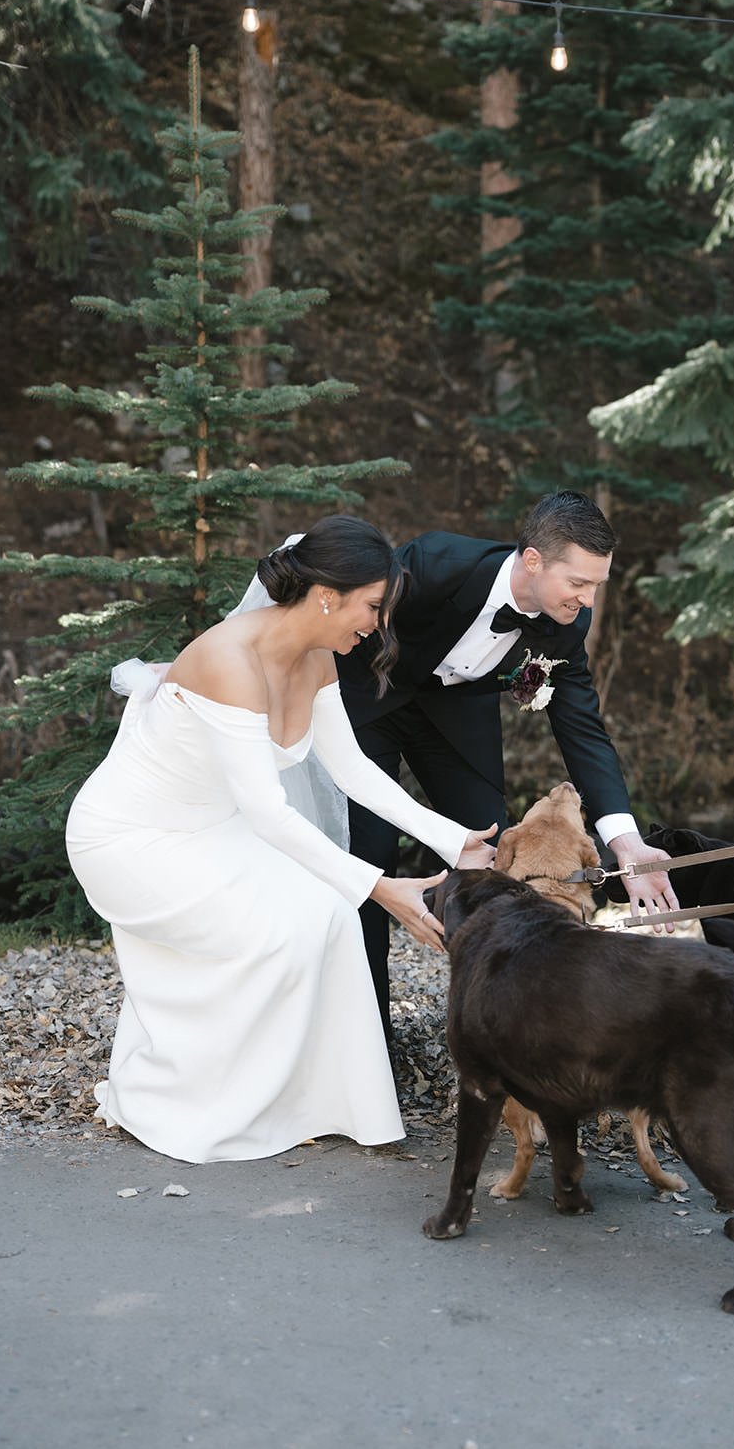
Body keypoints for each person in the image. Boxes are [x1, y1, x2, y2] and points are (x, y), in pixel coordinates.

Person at [65, 516, 494, 1165]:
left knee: (329, 917)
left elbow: (351, 770)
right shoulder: (229, 661)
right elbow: (267, 812)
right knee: (267, 936)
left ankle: (317, 1106)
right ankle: (187, 1100)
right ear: (326, 596)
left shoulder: (317, 658)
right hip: (131, 839)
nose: (378, 625)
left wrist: (454, 842)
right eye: (372, 606)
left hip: (210, 831)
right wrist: (378, 887)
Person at [337, 489, 680, 1033]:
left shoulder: (566, 623)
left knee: (493, 856)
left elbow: (582, 729)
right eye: (579, 583)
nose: (588, 600)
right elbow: (344, 620)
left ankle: (502, 1023)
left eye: (597, 585)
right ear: (533, 561)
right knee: (370, 855)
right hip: (368, 702)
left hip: (454, 723)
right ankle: (367, 1035)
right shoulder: (431, 565)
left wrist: (625, 842)